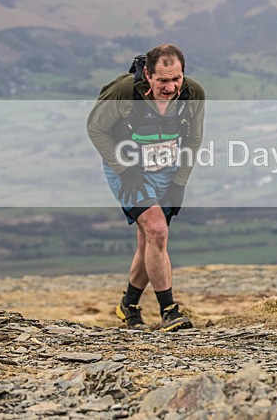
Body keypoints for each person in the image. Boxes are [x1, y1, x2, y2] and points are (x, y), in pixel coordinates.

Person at [87, 44, 205, 332]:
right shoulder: (125, 93)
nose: (170, 87)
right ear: (148, 75)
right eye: (162, 80)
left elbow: (193, 139)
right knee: (157, 230)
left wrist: (179, 183)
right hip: (128, 171)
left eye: (176, 79)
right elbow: (95, 128)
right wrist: (125, 170)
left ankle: (128, 306)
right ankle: (169, 310)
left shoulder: (193, 94)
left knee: (149, 242)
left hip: (166, 170)